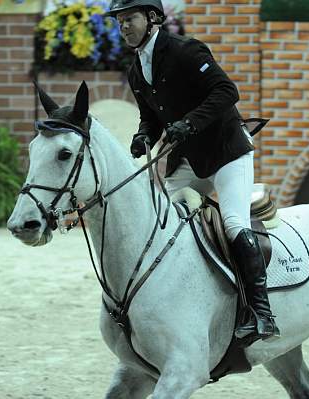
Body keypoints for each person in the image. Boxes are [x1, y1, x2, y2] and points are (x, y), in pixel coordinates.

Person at [106, 0, 280, 341]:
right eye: (119, 22)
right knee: (162, 223)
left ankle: (261, 312)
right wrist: (144, 135)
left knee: (233, 223)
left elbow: (227, 91)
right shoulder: (136, 69)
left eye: (130, 19)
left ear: (153, 18)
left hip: (227, 153)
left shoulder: (186, 51)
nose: (123, 27)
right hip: (188, 161)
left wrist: (190, 123)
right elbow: (150, 116)